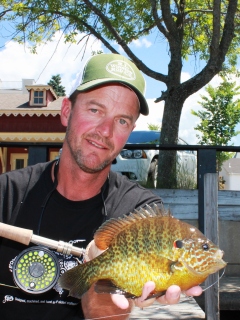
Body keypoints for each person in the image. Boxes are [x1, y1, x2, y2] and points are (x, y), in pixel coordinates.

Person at [0, 53, 202, 320]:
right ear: (66, 112)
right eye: (95, 110)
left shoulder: (139, 211)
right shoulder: (6, 193)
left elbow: (107, 313)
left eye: (122, 121)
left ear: (129, 131)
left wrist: (100, 270)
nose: (106, 130)